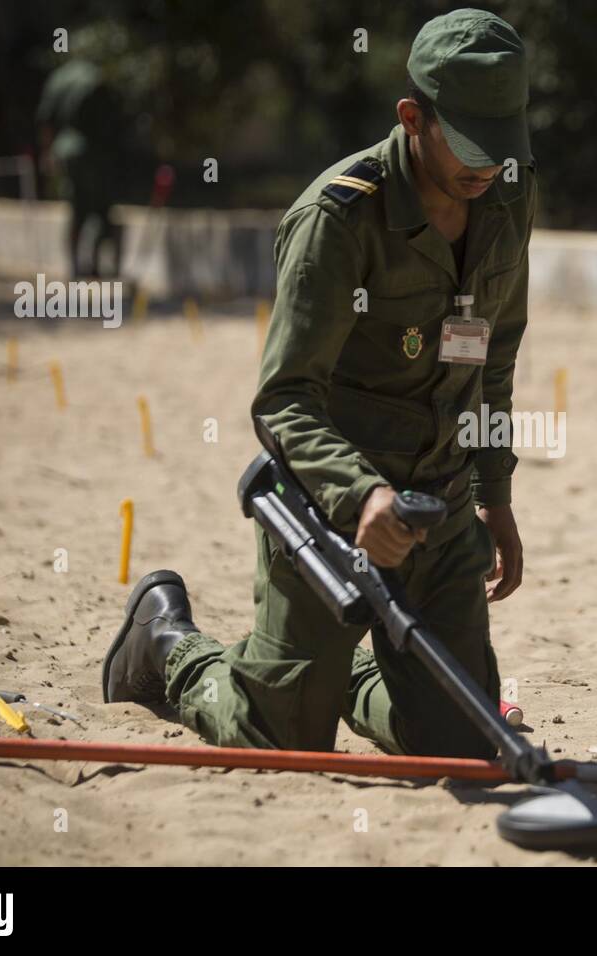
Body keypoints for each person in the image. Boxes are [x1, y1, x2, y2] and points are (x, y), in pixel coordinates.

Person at [101, 9, 536, 760]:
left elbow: (495, 361)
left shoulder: (506, 198)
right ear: (413, 118)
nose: (485, 169)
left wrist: (494, 495)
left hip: (441, 506)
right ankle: (165, 646)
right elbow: (283, 401)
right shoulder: (337, 218)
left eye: (500, 149)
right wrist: (361, 495)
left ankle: (339, 674)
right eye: (468, 148)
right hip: (327, 514)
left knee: (464, 744)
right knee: (284, 737)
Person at [37, 57, 124, 279]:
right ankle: (97, 265)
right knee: (102, 209)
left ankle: (75, 268)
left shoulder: (59, 79)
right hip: (96, 154)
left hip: (68, 152)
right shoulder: (94, 75)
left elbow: (46, 120)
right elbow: (111, 119)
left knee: (77, 210)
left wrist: (48, 155)